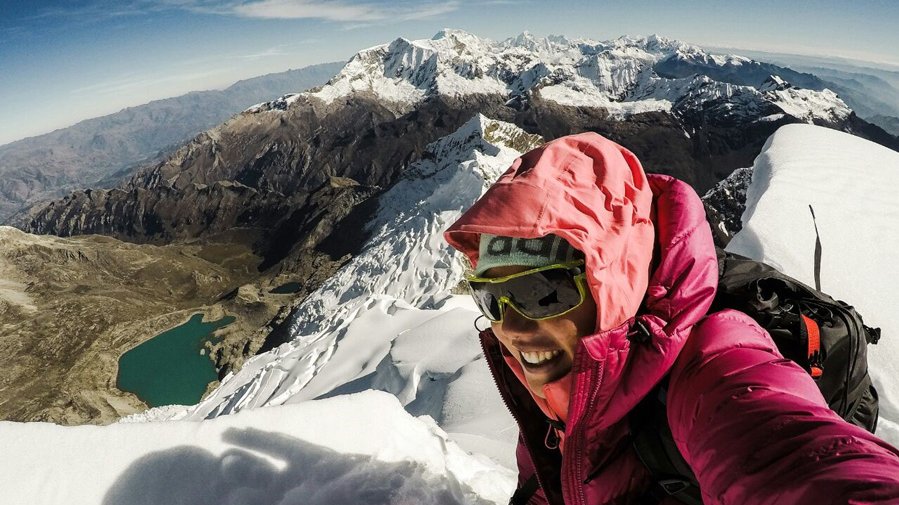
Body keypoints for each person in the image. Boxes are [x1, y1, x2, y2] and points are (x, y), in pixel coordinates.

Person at [443, 132, 899, 504]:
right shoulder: (561, 382)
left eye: (541, 292)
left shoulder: (715, 363)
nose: (514, 327)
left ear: (613, 281)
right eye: (491, 297)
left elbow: (792, 458)